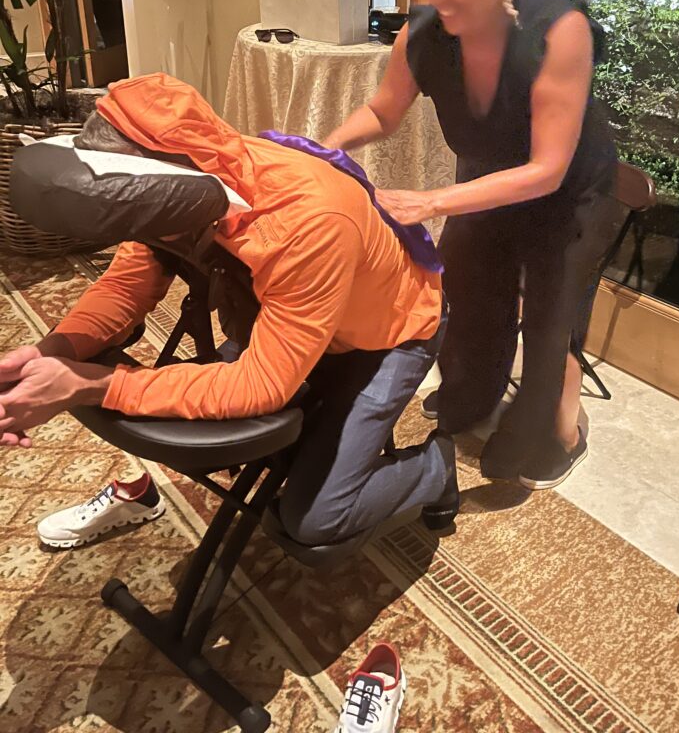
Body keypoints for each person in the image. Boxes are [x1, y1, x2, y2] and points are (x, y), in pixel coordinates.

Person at [0, 73, 458, 548]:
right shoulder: (174, 192)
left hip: (389, 335)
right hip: (287, 318)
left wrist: (86, 384)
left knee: (316, 522)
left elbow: (260, 386)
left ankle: (435, 467)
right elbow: (125, 287)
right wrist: (52, 352)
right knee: (214, 424)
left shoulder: (309, 220)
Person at [325, 0, 618, 489]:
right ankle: (473, 396)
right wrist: (320, 146)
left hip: (568, 196)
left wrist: (430, 199)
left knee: (548, 313)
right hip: (488, 181)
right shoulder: (425, 35)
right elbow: (384, 111)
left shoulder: (560, 31)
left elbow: (547, 171)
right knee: (471, 286)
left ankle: (564, 425)